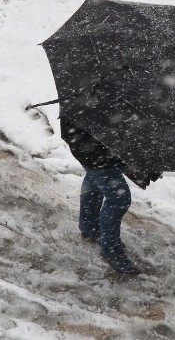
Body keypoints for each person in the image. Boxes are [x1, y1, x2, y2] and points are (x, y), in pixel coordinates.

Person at [60, 117, 141, 275]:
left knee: (93, 181)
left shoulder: (85, 98)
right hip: (95, 149)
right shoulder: (92, 98)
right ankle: (111, 250)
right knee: (119, 199)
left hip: (90, 144)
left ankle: (89, 227)